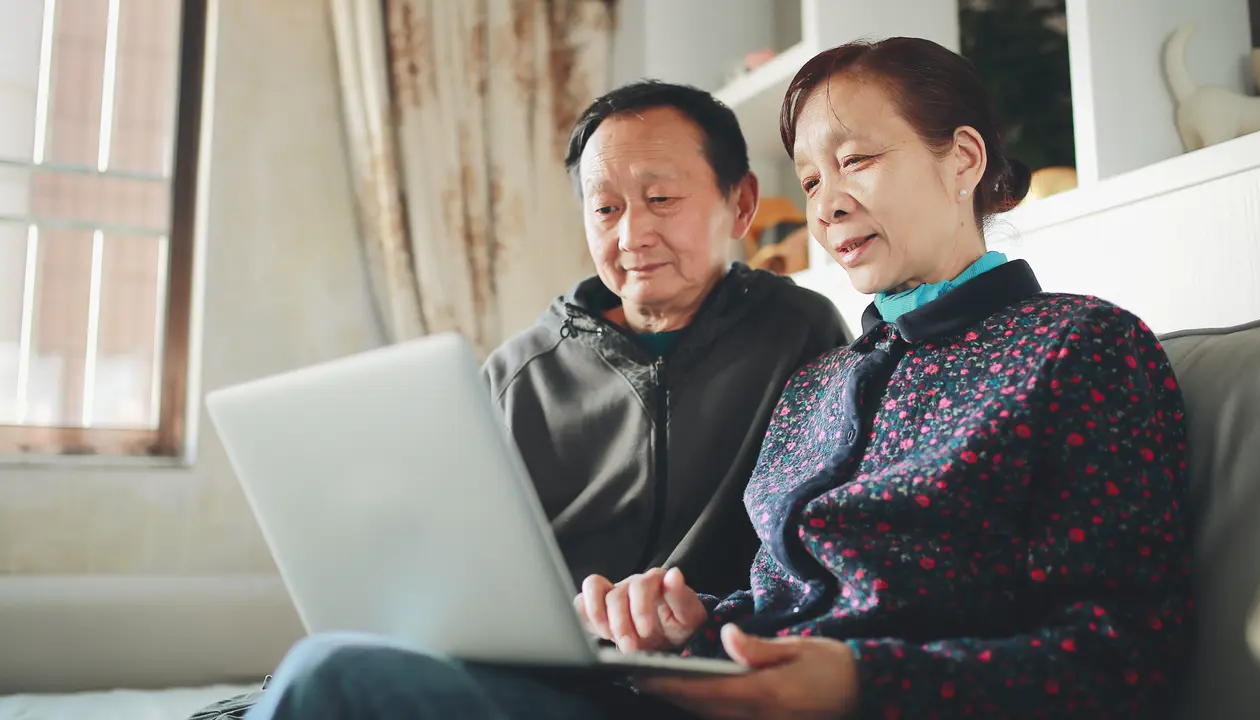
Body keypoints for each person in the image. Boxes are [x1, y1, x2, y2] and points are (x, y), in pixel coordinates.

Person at [246, 37, 1192, 720]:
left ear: (965, 161)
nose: (827, 204)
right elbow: (780, 593)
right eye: (811, 181)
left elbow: (1126, 654)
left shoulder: (1079, 347)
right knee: (337, 671)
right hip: (696, 692)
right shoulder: (823, 378)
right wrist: (687, 624)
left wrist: (864, 685)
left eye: (856, 160)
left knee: (336, 684)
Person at [480, 80, 849, 598]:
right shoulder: (518, 375)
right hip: (559, 661)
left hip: (724, 648)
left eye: (661, 198)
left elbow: (831, 531)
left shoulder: (797, 332)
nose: (632, 236)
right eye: (606, 209)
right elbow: (475, 563)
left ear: (741, 203)